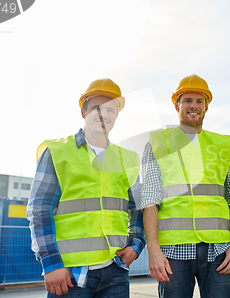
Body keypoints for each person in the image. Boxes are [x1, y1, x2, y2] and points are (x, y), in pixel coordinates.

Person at [26, 78, 145, 297]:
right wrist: (51, 264)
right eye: (96, 108)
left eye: (111, 109)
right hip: (70, 274)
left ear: (117, 115)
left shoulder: (127, 159)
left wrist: (136, 244)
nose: (104, 114)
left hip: (115, 272)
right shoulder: (57, 152)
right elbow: (39, 208)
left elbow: (137, 207)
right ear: (83, 111)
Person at [141, 74, 230, 298]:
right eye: (188, 100)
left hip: (218, 250)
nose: (194, 106)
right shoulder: (158, 143)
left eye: (200, 101)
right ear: (177, 104)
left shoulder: (223, 145)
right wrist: (153, 250)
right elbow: (149, 198)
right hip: (172, 252)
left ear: (207, 107)